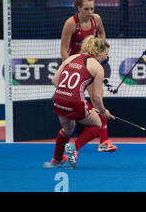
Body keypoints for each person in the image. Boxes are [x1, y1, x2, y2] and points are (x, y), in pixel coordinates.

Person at [49, 36, 115, 168]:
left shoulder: (71, 57)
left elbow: (55, 81)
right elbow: (96, 97)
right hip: (74, 101)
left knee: (67, 130)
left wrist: (69, 95)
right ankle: (75, 148)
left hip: (58, 99)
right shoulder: (98, 67)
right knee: (98, 124)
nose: (106, 58)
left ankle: (57, 159)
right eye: (105, 54)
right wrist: (103, 110)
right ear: (97, 52)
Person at [60, 0, 115, 152]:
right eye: (86, 9)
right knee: (72, 103)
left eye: (92, 8)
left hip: (90, 66)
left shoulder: (96, 19)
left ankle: (104, 141)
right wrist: (68, 66)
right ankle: (66, 143)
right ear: (78, 8)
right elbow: (64, 49)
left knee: (98, 100)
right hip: (77, 68)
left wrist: (100, 49)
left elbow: (102, 33)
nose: (90, 11)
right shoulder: (71, 24)